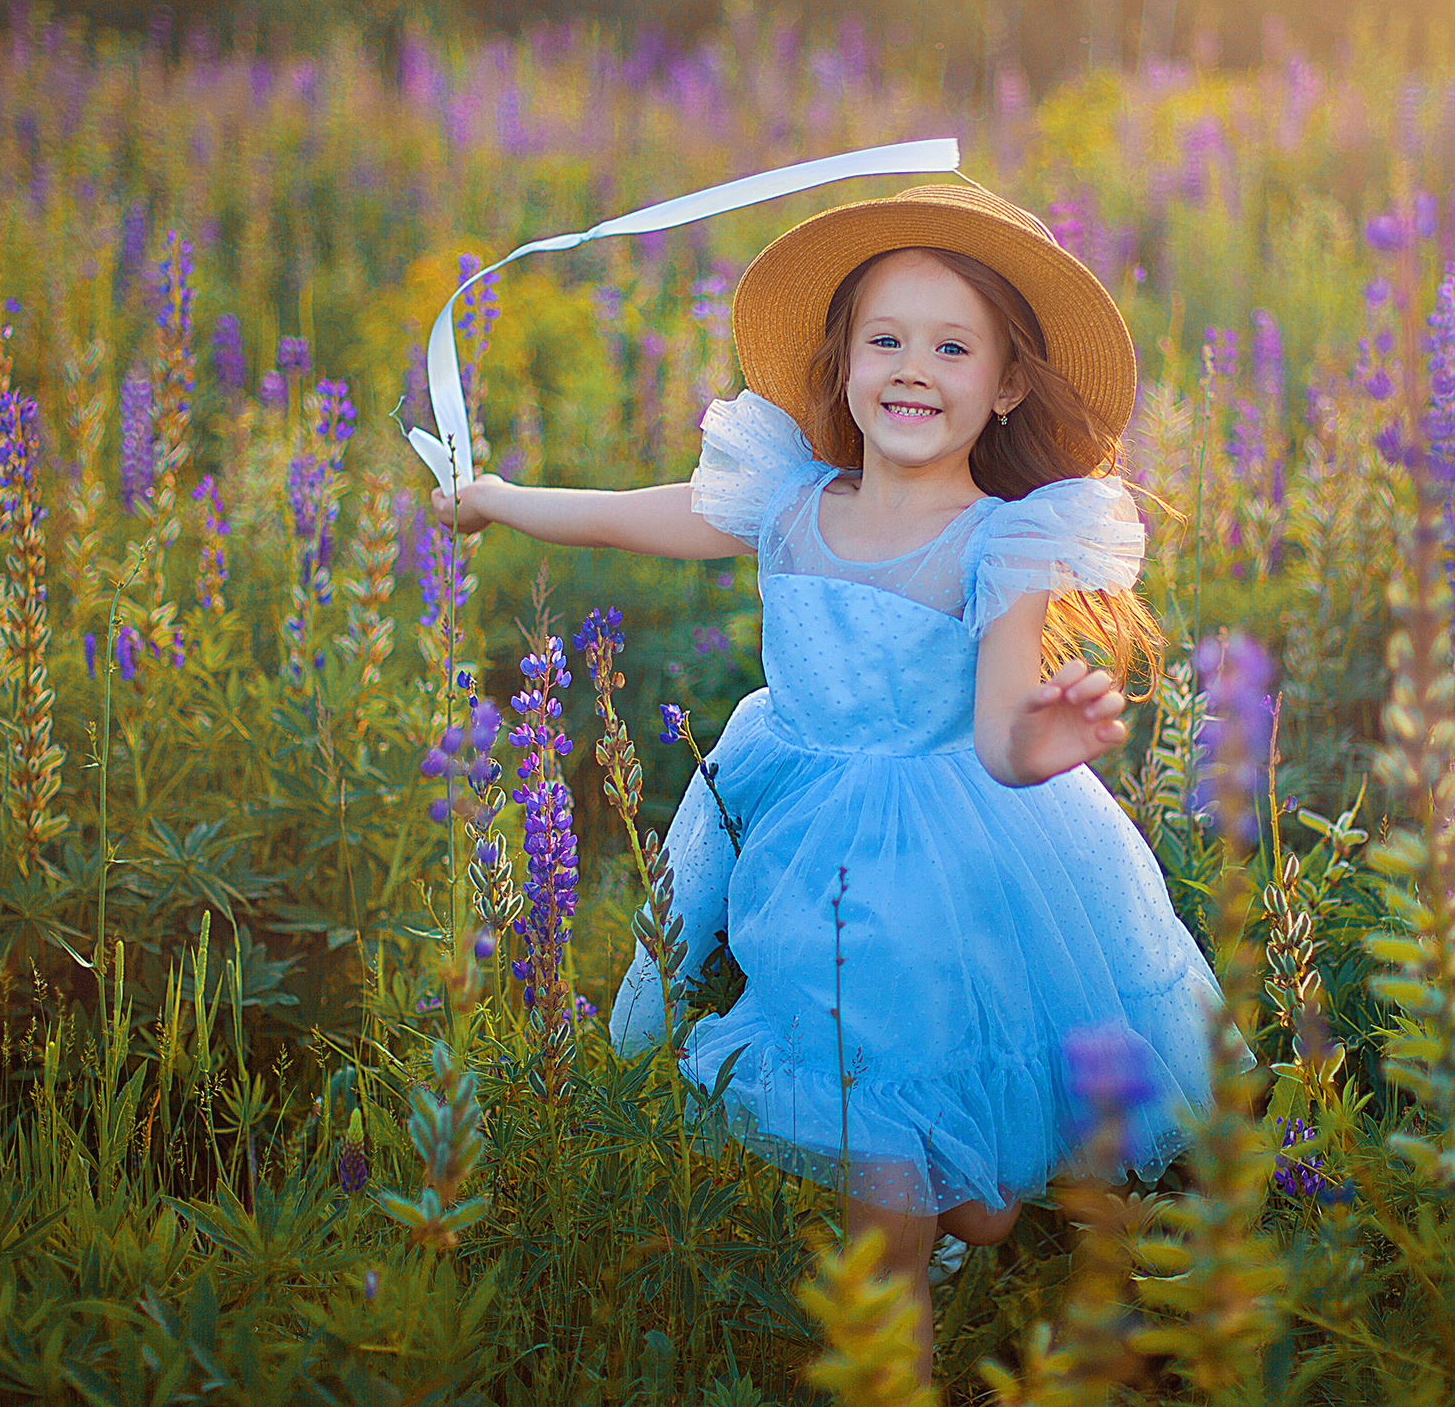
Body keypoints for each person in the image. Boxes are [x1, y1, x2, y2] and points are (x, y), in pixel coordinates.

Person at [429, 182, 1249, 1383]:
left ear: (1006, 385)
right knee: (915, 1158)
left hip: (948, 859)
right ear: (845, 360)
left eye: (952, 347)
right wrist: (498, 501)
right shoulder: (790, 502)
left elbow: (997, 734)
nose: (913, 370)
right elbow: (635, 516)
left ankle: (896, 1350)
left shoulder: (1000, 543)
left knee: (886, 1165)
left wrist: (1049, 739)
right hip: (805, 843)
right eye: (886, 340)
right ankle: (964, 1209)